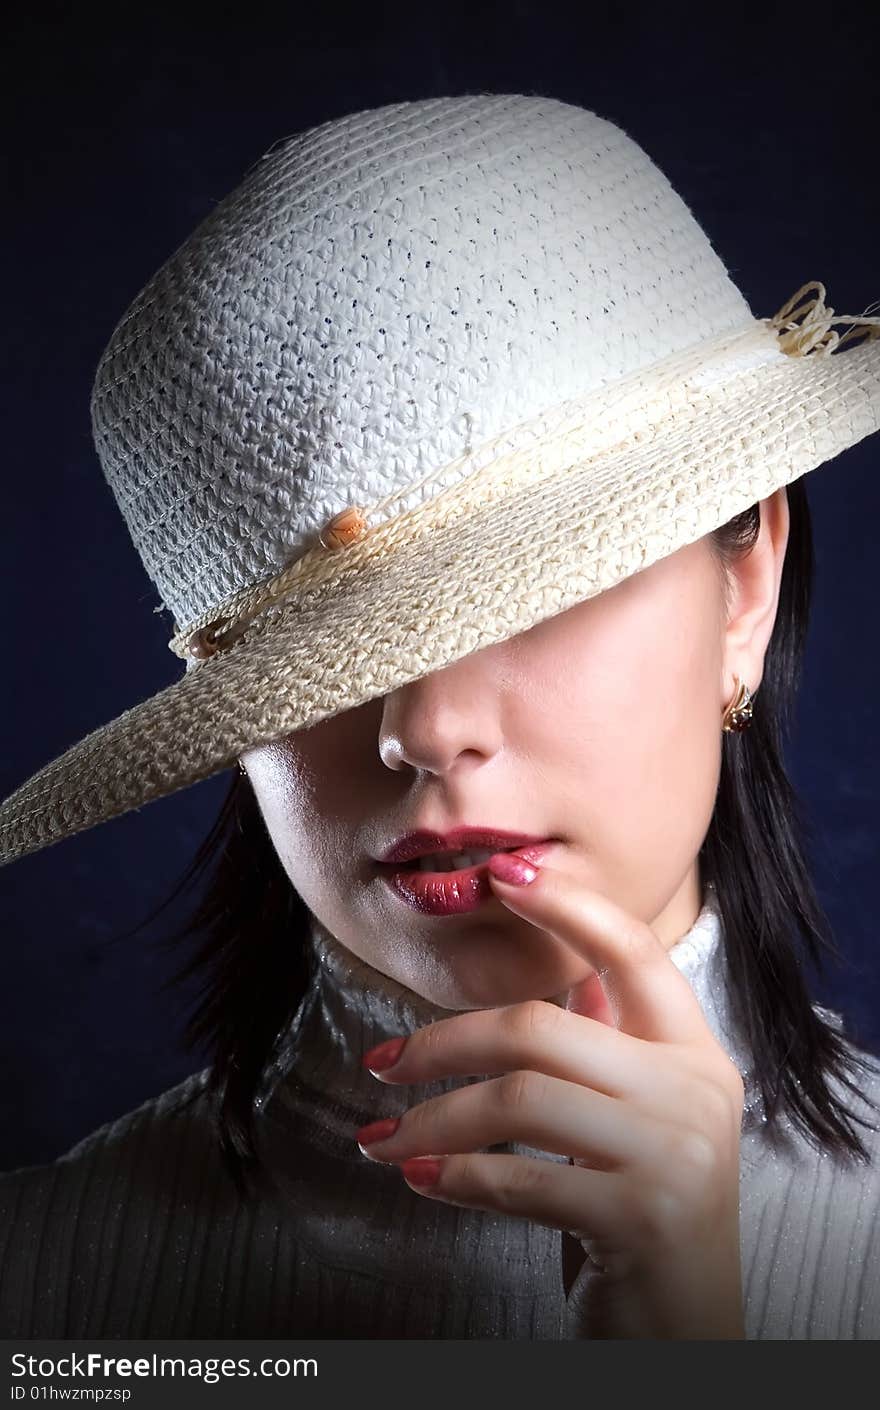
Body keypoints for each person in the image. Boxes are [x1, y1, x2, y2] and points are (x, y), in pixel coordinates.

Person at [1, 92, 880, 1341]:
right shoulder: (37, 1300)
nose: (422, 729)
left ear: (742, 585)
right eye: (319, 659)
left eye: (541, 589)